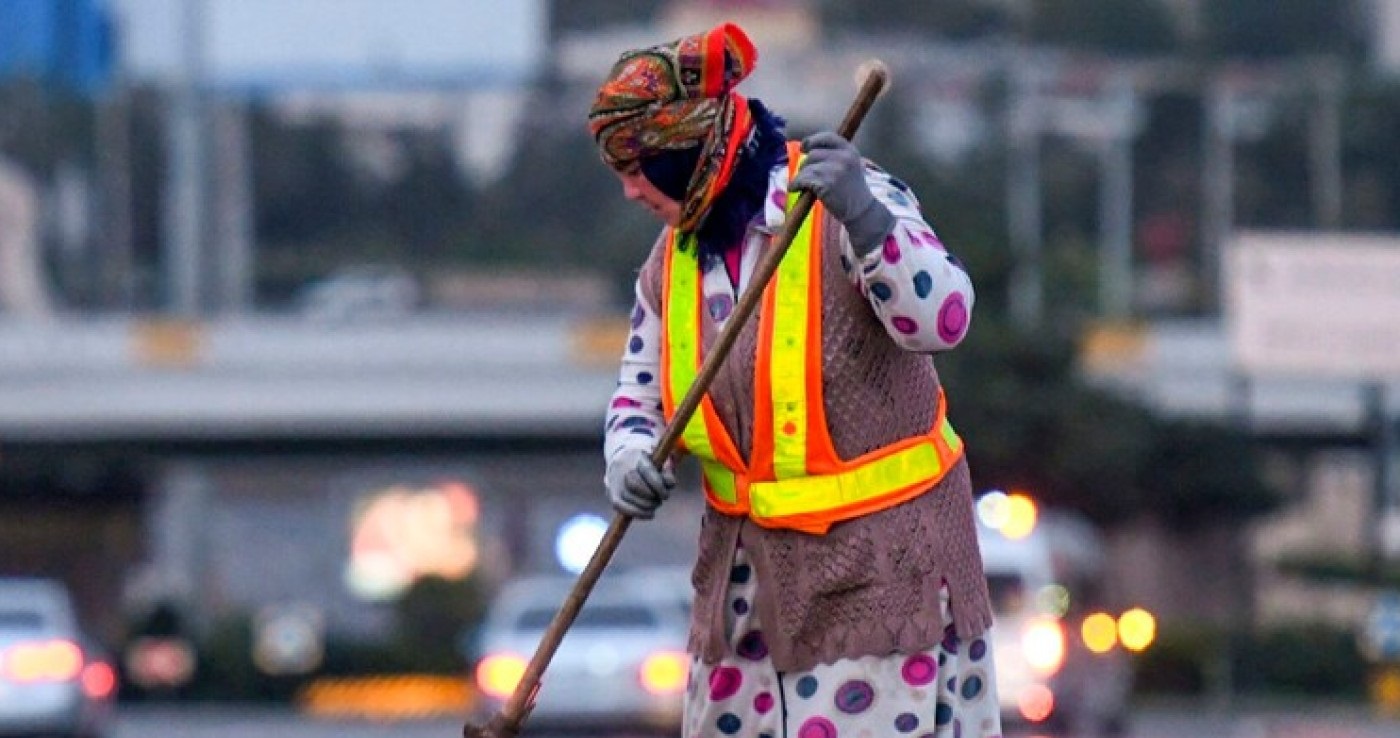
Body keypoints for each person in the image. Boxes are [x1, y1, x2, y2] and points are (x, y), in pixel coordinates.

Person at [589, 22, 1002, 738]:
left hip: (882, 577)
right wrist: (628, 456)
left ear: (688, 152)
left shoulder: (841, 203)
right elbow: (641, 391)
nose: (629, 191)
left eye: (638, 167)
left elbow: (944, 318)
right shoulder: (672, 258)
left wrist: (867, 220)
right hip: (745, 591)